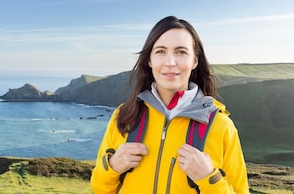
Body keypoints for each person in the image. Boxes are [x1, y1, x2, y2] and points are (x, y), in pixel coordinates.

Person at [91, 16, 249, 193]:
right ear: (149, 60)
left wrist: (209, 179)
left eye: (181, 52)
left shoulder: (221, 126)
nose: (170, 62)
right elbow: (99, 188)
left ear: (194, 60)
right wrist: (111, 167)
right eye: (160, 51)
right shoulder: (124, 116)